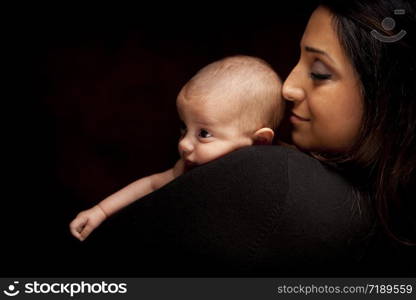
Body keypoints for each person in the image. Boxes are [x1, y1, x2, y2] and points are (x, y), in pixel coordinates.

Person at [82, 0, 416, 275]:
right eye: (299, 59)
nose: (287, 87)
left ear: (389, 97)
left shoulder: (276, 182)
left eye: (319, 73)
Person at [69, 55, 284, 241]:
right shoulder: (187, 169)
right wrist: (101, 211)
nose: (183, 143)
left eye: (204, 134)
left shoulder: (266, 182)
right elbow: (153, 184)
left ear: (259, 142)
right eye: (184, 128)